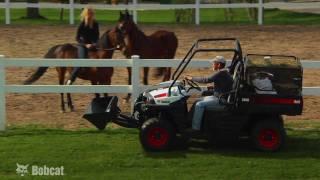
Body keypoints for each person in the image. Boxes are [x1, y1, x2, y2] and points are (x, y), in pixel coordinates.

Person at [185, 56, 233, 132]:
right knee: (197, 101)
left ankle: (195, 128)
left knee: (199, 105)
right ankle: (189, 121)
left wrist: (192, 78)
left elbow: (206, 80)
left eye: (214, 63)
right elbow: (224, 85)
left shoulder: (221, 73)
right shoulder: (224, 73)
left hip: (221, 100)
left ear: (219, 65)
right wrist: (214, 88)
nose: (212, 65)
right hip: (218, 97)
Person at [66, 7, 100, 85]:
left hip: (93, 45)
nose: (90, 15)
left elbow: (97, 37)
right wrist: (85, 45)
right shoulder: (82, 24)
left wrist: (94, 44)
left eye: (91, 14)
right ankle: (71, 79)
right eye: (89, 14)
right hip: (82, 45)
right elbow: (77, 38)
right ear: (85, 14)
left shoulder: (95, 24)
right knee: (81, 62)